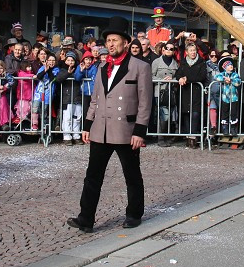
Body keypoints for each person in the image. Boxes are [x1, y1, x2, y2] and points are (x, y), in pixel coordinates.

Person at [67, 17, 153, 232]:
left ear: (125, 42)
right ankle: (85, 218)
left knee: (132, 176)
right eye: (108, 41)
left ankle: (134, 214)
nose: (111, 44)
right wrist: (87, 126)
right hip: (100, 130)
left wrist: (140, 131)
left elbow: (145, 102)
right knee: (92, 177)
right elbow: (95, 99)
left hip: (126, 130)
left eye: (115, 40)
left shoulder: (140, 67)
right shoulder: (102, 67)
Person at [174, 42, 208, 148]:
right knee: (186, 114)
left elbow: (201, 76)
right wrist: (180, 78)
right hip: (185, 92)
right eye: (191, 51)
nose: (193, 52)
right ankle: (188, 137)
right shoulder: (183, 63)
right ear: (187, 52)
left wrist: (187, 79)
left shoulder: (201, 63)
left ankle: (194, 137)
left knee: (195, 114)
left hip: (197, 92)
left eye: (194, 50)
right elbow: (178, 74)